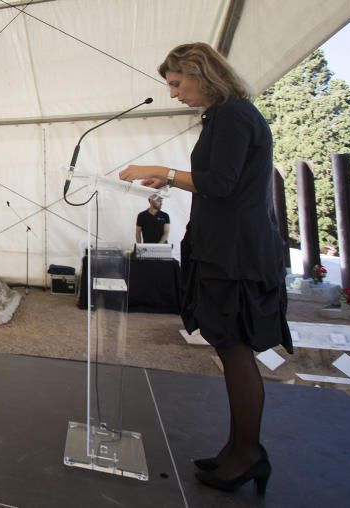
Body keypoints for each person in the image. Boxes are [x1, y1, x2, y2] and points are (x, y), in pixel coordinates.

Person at [119, 42, 290, 495]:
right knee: (229, 349)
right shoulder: (227, 116)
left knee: (235, 352)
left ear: (201, 73)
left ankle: (248, 454)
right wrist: (170, 178)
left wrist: (163, 171)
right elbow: (220, 183)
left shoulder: (234, 116)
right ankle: (238, 447)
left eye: (177, 83)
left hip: (234, 255)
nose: (174, 93)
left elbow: (221, 183)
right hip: (226, 248)